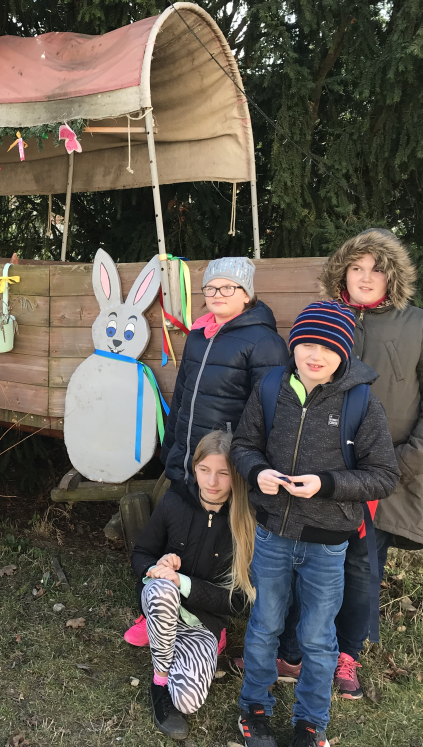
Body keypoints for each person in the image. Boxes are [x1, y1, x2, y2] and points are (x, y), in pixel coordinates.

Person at [271, 228, 423, 699]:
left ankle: (346, 656)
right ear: (342, 271)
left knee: (360, 568)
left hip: (383, 475)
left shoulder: (420, 324)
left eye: (376, 269)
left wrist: (405, 463)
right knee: (303, 562)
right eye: (356, 267)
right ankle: (292, 654)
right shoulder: (322, 317)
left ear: (392, 276)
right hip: (318, 471)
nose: (365, 276)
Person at [231, 301, 400, 747]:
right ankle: (254, 709)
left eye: (328, 347)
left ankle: (310, 723)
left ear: (343, 353)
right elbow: (244, 444)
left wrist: (326, 484)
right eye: (307, 343)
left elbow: (384, 476)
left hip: (327, 544)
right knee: (265, 624)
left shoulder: (361, 402)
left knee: (317, 637)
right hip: (272, 534)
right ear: (294, 345)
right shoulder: (271, 387)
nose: (315, 354)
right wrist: (256, 471)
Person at [127, 257, 288, 646]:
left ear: (246, 294)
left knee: (216, 545)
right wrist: (172, 448)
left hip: (228, 463)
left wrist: (251, 462)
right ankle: (158, 608)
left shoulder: (263, 342)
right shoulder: (199, 335)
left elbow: (270, 409)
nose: (217, 294)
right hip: (189, 458)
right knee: (180, 533)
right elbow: (182, 396)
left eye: (227, 287)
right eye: (211, 288)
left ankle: (210, 620)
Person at [131, 431, 255, 741]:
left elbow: (240, 601)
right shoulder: (175, 500)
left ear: (236, 475)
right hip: (163, 603)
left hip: (202, 622)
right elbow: (141, 553)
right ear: (194, 467)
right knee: (163, 590)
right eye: (204, 470)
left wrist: (183, 581)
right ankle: (159, 681)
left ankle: (170, 645)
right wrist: (157, 567)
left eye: (223, 473)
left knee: (188, 702)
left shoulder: (245, 520)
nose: (211, 481)